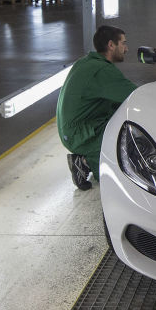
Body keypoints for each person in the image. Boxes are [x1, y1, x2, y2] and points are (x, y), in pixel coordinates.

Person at [56, 25, 137, 190]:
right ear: (111, 45)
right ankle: (84, 163)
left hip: (72, 129)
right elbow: (135, 96)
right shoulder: (102, 71)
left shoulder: (86, 62)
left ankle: (88, 158)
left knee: (121, 113)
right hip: (78, 135)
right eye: (123, 43)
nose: (126, 48)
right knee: (120, 174)